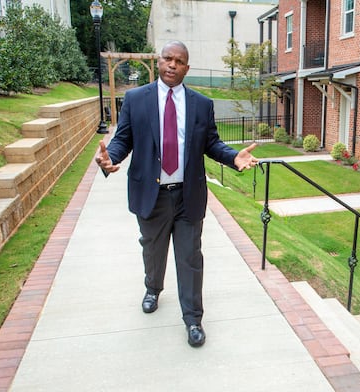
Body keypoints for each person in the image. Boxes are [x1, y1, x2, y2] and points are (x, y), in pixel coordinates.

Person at [95, 40, 258, 347]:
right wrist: (110, 159)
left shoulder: (201, 104)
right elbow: (122, 139)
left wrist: (233, 157)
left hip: (188, 195)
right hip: (151, 195)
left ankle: (193, 319)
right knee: (152, 251)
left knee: (190, 258)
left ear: (187, 67)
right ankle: (153, 288)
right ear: (159, 62)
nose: (171, 64)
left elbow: (211, 143)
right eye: (167, 58)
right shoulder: (135, 99)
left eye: (178, 60)